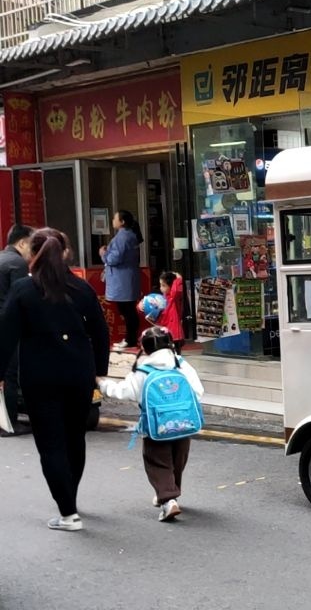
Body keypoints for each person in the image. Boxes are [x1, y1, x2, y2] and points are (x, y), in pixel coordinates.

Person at [0, 228, 110, 530]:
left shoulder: (23, 290)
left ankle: (67, 512)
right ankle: (70, 498)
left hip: (40, 376)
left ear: (32, 254)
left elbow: (5, 337)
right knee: (75, 439)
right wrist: (99, 371)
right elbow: (100, 332)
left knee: (50, 444)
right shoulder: (81, 288)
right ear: (65, 253)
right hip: (79, 373)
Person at [98, 325, 204, 523]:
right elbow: (198, 391)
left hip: (156, 427)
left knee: (157, 462)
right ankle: (171, 492)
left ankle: (167, 500)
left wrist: (103, 384)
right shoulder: (180, 364)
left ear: (145, 348)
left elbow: (124, 392)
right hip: (184, 424)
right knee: (177, 461)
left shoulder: (143, 369)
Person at [0, 222, 32, 436]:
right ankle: (9, 423)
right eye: (31, 244)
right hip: (7, 327)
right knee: (10, 374)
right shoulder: (17, 263)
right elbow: (22, 300)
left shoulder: (2, 258)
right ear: (21, 243)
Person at [100, 209, 142, 351]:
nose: (113, 220)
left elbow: (113, 259)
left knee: (126, 310)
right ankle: (131, 338)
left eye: (115, 218)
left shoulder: (122, 237)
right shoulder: (130, 236)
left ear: (122, 222)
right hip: (128, 278)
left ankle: (130, 339)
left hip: (122, 280)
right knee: (129, 309)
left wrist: (104, 254)